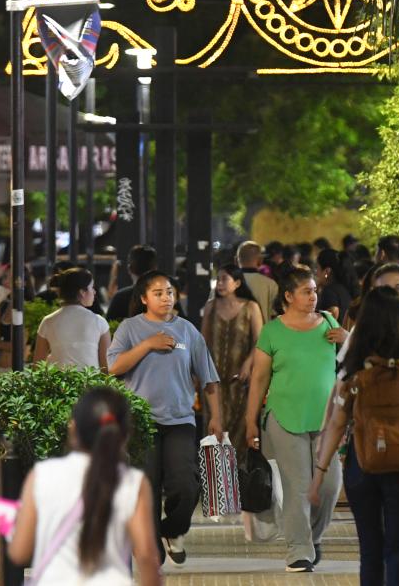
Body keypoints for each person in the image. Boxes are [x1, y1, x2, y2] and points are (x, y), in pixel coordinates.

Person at [308, 287, 399, 585]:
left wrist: (320, 473)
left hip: (363, 463)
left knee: (371, 550)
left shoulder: (355, 361)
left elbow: (339, 421)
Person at [108, 271, 223, 565]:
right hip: (140, 422)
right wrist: (148, 345)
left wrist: (216, 418)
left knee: (185, 485)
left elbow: (209, 379)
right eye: (158, 293)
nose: (166, 298)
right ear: (144, 298)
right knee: (145, 486)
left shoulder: (186, 330)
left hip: (180, 419)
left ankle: (172, 530)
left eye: (169, 292)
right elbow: (114, 367)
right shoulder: (130, 329)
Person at [245, 267, 347, 573]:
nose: (313, 296)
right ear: (288, 296)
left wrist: (346, 337)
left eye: (315, 290)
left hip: (326, 419)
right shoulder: (272, 331)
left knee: (329, 485)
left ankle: (311, 538)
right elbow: (259, 379)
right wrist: (251, 422)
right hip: (284, 416)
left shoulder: (329, 323)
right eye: (306, 291)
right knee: (298, 486)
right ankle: (298, 550)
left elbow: (356, 358)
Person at [7, 387, 163, 586]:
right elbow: (147, 556)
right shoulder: (133, 482)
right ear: (124, 435)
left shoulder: (42, 475)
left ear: (73, 429)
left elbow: (19, 552)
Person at [200, 264, 263, 456]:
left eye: (224, 279)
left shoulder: (251, 307)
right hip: (213, 381)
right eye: (217, 279)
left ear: (237, 283)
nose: (219, 283)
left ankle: (236, 479)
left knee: (238, 429)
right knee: (214, 429)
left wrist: (248, 363)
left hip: (240, 380)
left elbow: (260, 341)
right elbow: (202, 342)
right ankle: (215, 478)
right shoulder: (210, 307)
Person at [34, 267, 110, 370]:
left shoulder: (48, 321)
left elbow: (37, 366)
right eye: (92, 287)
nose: (94, 292)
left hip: (59, 384)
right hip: (91, 384)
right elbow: (106, 366)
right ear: (82, 292)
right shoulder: (99, 322)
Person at [107, 245, 157, 321]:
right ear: (155, 269)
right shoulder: (168, 297)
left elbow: (109, 328)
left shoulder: (119, 298)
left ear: (129, 269)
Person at [237, 241, 280, 321]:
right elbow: (275, 315)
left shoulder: (226, 284)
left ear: (236, 260)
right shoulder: (270, 284)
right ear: (260, 260)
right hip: (262, 332)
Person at [315, 249, 357, 322]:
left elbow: (333, 312)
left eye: (317, 267)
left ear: (327, 271)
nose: (316, 272)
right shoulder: (343, 287)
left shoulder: (329, 292)